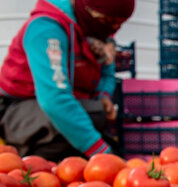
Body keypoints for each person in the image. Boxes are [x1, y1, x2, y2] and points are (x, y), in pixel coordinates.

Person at [0, 0, 135, 162]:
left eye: (119, 23)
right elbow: (54, 100)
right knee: (76, 120)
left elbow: (107, 69)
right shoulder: (46, 30)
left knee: (96, 113)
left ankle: (74, 166)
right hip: (18, 108)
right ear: (87, 9)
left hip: (66, 103)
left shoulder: (96, 30)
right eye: (108, 21)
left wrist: (103, 95)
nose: (114, 28)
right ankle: (40, 166)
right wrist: (101, 153)